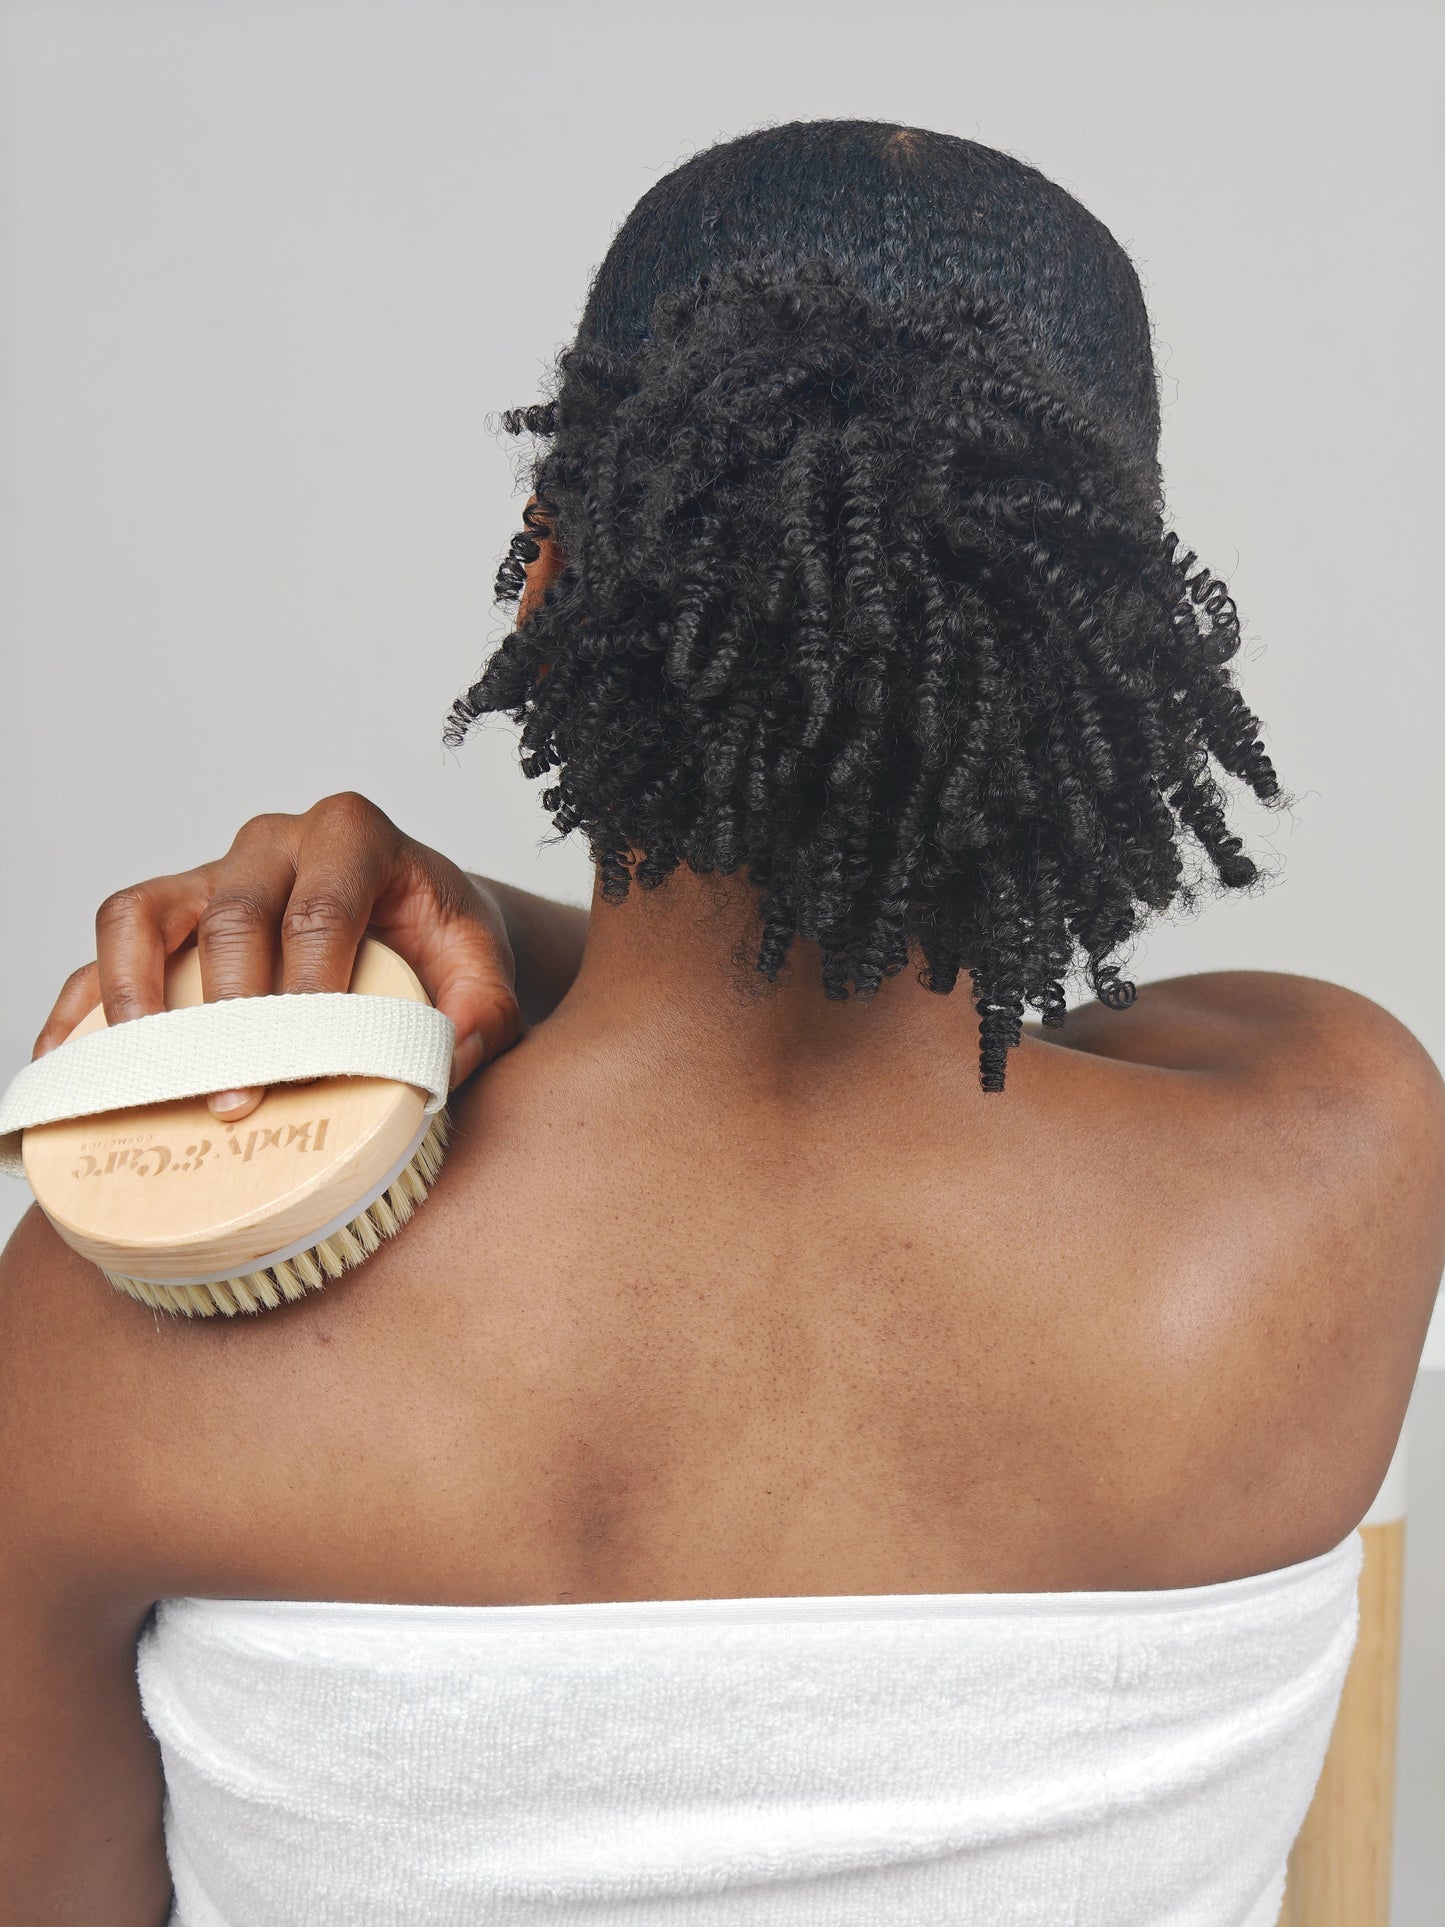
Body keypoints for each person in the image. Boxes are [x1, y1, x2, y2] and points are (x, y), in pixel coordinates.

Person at [3, 118, 1442, 1927]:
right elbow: (1050, 1021)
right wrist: (482, 925)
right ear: (1113, 654)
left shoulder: (117, 1322)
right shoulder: (1337, 1163)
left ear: (546, 583)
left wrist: (444, 929)